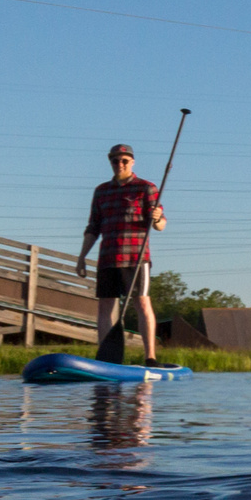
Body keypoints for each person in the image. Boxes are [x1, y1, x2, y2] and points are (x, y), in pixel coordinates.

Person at [78, 142, 165, 364]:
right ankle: (106, 357)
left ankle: (150, 357)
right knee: (105, 306)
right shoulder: (101, 191)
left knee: (142, 303)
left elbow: (161, 224)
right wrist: (81, 257)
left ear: (132, 162)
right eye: (115, 160)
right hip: (107, 258)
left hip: (136, 258)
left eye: (124, 160)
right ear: (110, 162)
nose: (120, 164)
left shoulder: (146, 188)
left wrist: (157, 218)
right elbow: (93, 227)